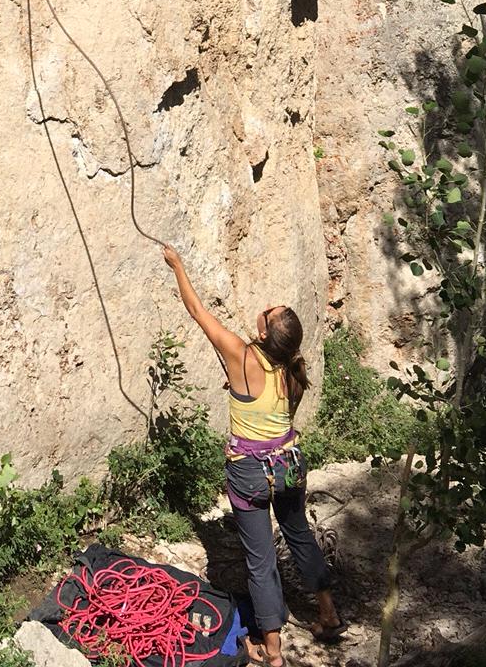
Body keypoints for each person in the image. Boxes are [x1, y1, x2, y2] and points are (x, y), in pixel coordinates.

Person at [161, 245, 343, 667]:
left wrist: (178, 266)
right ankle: (329, 614)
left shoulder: (242, 356)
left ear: (264, 334)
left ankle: (272, 652)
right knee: (299, 533)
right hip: (289, 464)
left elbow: (197, 312)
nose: (265, 309)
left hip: (250, 472)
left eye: (269, 313)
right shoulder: (292, 369)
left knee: (260, 562)